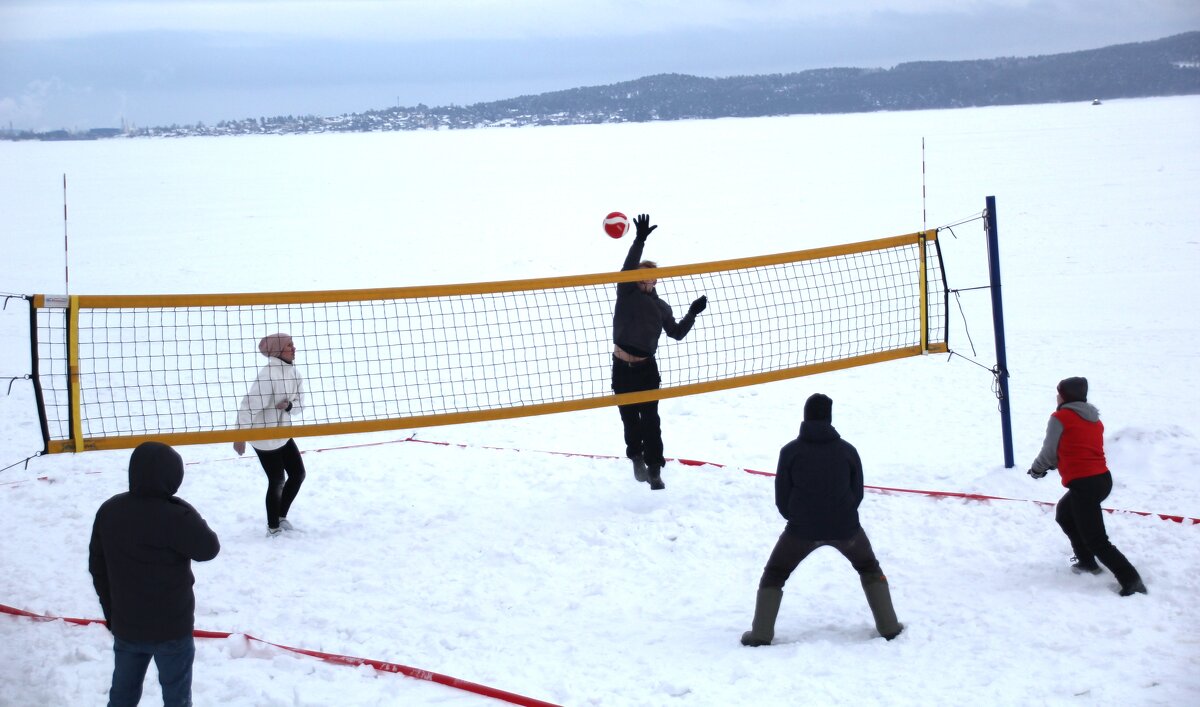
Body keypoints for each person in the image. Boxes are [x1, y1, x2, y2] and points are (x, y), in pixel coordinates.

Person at [741, 394, 902, 646]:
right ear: (829, 418)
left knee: (775, 573)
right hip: (846, 529)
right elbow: (857, 492)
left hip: (800, 531)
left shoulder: (790, 452)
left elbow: (781, 497)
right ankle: (889, 627)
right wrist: (843, 516)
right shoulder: (848, 451)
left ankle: (760, 634)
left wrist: (797, 519)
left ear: (805, 417)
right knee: (868, 566)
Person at [89, 441, 221, 706]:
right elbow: (209, 548)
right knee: (177, 699)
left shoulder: (110, 510)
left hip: (127, 625)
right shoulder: (176, 516)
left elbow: (97, 567)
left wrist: (111, 614)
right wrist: (183, 506)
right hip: (173, 629)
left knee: (122, 696)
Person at [611, 213, 707, 490]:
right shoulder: (626, 294)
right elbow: (628, 269)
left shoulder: (661, 307)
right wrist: (639, 239)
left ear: (655, 281)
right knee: (629, 418)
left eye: (650, 279)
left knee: (651, 420)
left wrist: (691, 313)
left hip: (646, 368)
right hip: (621, 365)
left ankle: (655, 468)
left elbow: (676, 333)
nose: (646, 282)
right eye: (641, 278)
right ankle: (636, 457)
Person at [1028, 376, 1147, 596]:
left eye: (1059, 393)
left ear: (1065, 396)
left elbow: (1049, 451)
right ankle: (1086, 562)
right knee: (1064, 514)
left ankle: (1131, 580)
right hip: (1101, 480)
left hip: (1085, 485)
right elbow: (1075, 447)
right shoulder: (1094, 419)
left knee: (1097, 540)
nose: (1057, 396)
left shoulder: (1060, 417)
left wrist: (1037, 469)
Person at [234, 332, 307, 536]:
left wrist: (289, 406)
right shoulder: (267, 377)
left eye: (293, 345)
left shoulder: (294, 373)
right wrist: (239, 436)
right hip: (264, 437)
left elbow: (301, 404)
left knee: (298, 474)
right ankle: (273, 527)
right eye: (289, 346)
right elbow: (248, 407)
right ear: (277, 351)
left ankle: (281, 516)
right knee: (277, 481)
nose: (294, 349)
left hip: (282, 432)